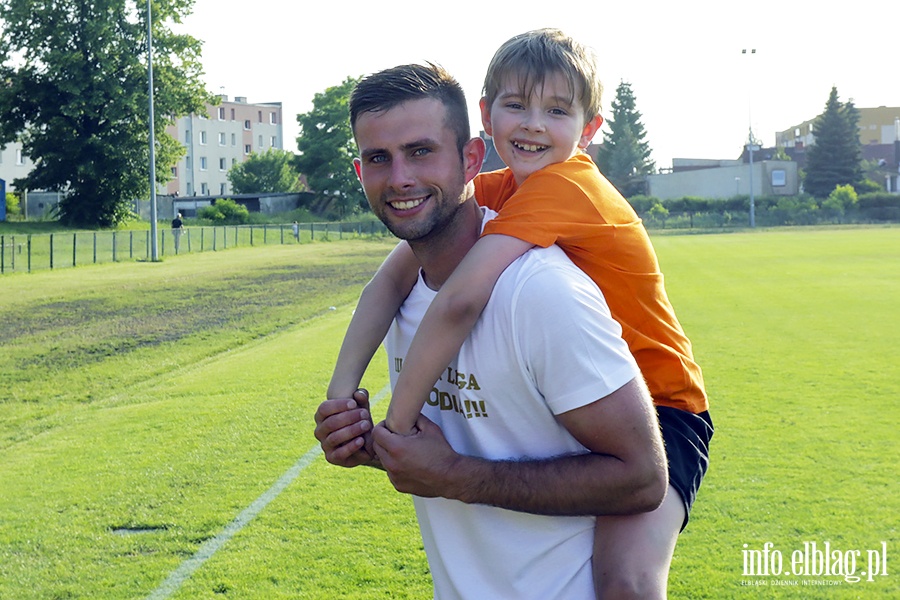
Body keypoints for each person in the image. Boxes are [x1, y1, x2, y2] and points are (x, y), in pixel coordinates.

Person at [327, 30, 713, 598]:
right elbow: (387, 282)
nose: (533, 124)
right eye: (517, 105)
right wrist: (340, 403)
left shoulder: (566, 186)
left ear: (589, 129)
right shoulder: (501, 185)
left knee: (626, 580)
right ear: (487, 116)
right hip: (606, 390)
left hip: (665, 404)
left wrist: (398, 429)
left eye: (556, 110)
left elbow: (461, 299)